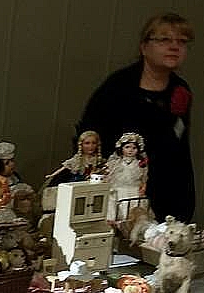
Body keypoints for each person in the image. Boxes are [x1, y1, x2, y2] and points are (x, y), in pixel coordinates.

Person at [77, 12, 195, 221]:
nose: (174, 47)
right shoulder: (117, 88)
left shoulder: (180, 90)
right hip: (118, 191)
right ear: (144, 47)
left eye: (182, 41)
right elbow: (90, 140)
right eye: (164, 40)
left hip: (164, 195)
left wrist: (185, 200)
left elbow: (180, 150)